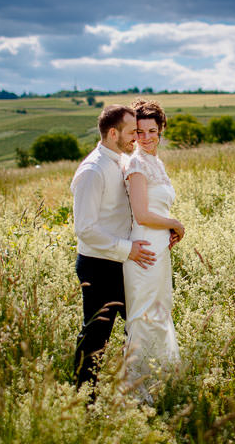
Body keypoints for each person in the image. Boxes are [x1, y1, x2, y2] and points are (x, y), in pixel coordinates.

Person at [71, 104, 156, 390]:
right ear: (112, 133)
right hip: (97, 266)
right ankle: (84, 400)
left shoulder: (119, 160)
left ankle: (134, 387)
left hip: (120, 263)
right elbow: (85, 229)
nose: (137, 137)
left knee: (139, 325)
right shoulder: (92, 171)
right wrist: (127, 249)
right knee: (95, 338)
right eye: (132, 131)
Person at [122, 98, 185, 401]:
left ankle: (161, 380)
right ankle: (135, 390)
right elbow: (143, 214)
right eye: (139, 132)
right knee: (143, 315)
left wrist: (169, 230)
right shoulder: (135, 164)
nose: (145, 138)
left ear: (161, 131)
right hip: (144, 250)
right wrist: (175, 223)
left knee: (161, 310)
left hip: (159, 249)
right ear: (132, 134)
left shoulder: (156, 163)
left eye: (152, 131)